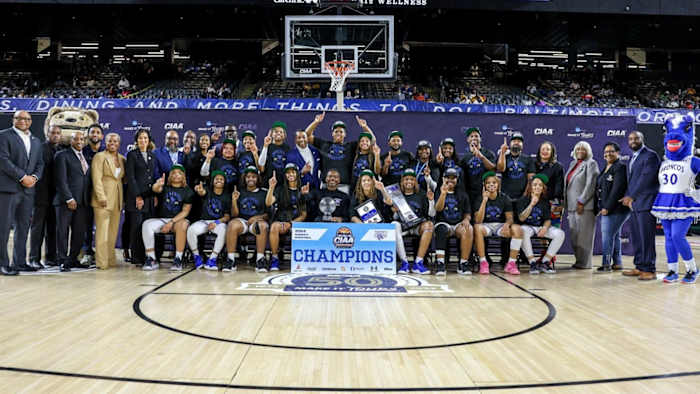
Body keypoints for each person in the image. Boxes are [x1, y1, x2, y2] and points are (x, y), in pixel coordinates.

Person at [650, 115, 700, 283]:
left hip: (684, 202)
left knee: (678, 236)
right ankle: (672, 271)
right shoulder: (663, 162)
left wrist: (697, 192)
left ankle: (692, 269)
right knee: (669, 237)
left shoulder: (693, 161)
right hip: (665, 201)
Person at [0, 111, 44, 276]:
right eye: (19, 118)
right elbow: (3, 160)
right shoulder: (3, 136)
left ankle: (19, 262)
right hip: (8, 189)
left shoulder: (36, 141)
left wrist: (34, 177)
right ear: (14, 119)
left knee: (23, 227)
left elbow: (40, 164)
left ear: (31, 121)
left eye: (26, 119)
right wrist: (22, 177)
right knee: (3, 228)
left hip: (28, 191)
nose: (23, 121)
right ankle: (2, 264)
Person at [621, 131, 660, 281]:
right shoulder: (633, 157)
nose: (633, 141)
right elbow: (633, 181)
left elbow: (646, 178)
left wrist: (632, 196)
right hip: (635, 204)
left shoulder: (650, 155)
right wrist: (628, 196)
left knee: (646, 238)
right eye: (630, 139)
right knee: (637, 237)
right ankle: (639, 266)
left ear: (642, 139)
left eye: (636, 138)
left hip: (646, 202)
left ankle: (650, 269)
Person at [142, 164, 193, 271]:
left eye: (179, 173)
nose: (176, 175)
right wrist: (157, 184)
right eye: (174, 173)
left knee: (182, 225)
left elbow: (185, 211)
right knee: (147, 224)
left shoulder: (188, 191)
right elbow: (156, 189)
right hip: (162, 219)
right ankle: (151, 258)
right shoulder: (164, 187)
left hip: (178, 220)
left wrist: (171, 222)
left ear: (183, 176)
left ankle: (178, 258)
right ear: (170, 176)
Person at [54, 130, 92, 272]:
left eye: (82, 139)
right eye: (76, 139)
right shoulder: (62, 155)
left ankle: (73, 259)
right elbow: (60, 180)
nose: (79, 141)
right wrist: (69, 198)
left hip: (82, 202)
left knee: (79, 233)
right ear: (71, 141)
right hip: (66, 201)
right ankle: (63, 260)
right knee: (62, 232)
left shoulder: (86, 157)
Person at [473, 171, 523, 275]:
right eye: (488, 183)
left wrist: (507, 224)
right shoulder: (479, 198)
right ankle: (483, 262)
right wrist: (484, 201)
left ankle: (511, 263)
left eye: (494, 183)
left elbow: (510, 218)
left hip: (500, 226)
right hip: (486, 226)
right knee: (477, 228)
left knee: (517, 229)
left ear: (498, 184)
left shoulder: (504, 198)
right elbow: (478, 220)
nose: (491, 185)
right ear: (485, 185)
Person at [516, 174, 565, 274]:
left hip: (540, 227)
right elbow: (521, 218)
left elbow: (548, 219)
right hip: (527, 226)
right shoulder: (523, 200)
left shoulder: (545, 202)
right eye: (534, 185)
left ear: (543, 188)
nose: (537, 187)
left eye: (540, 185)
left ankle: (545, 262)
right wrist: (531, 204)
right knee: (523, 231)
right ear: (530, 187)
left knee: (560, 234)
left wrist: (545, 228)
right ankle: (532, 262)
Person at [28, 125, 62, 269]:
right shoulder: (39, 148)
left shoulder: (62, 151)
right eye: (52, 133)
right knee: (38, 229)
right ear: (47, 134)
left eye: (58, 133)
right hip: (40, 196)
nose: (55, 135)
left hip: (56, 197)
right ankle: (34, 258)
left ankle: (51, 258)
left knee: (53, 229)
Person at [91, 133, 125, 270]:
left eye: (116, 141)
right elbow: (96, 178)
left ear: (119, 143)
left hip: (117, 199)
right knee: (102, 232)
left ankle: (111, 260)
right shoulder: (99, 157)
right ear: (105, 142)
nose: (113, 143)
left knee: (112, 233)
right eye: (110, 140)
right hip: (103, 200)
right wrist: (101, 197)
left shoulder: (122, 159)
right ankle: (101, 262)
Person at [266, 163, 307, 273]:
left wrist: (291, 223)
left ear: (297, 174)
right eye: (288, 173)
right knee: (274, 226)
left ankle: (302, 261)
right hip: (281, 221)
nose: (291, 175)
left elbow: (303, 215)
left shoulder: (302, 190)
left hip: (297, 223)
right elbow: (268, 202)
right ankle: (274, 258)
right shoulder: (280, 189)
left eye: (293, 172)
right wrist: (271, 187)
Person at [595, 142, 629, 273]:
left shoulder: (620, 167)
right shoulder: (606, 168)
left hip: (617, 209)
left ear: (618, 153)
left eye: (611, 151)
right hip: (606, 208)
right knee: (614, 236)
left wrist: (607, 207)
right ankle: (617, 263)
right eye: (606, 151)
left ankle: (606, 264)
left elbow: (617, 190)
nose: (608, 153)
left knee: (607, 236)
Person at [564, 141, 599, 270]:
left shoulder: (591, 164)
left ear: (588, 151)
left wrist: (581, 201)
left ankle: (585, 263)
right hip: (572, 206)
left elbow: (591, 185)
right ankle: (579, 261)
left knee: (584, 237)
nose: (580, 151)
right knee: (575, 237)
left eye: (583, 149)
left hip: (584, 206)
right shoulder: (573, 164)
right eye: (578, 148)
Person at [226, 166, 269, 272]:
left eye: (253, 177)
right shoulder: (240, 192)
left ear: (257, 178)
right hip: (243, 221)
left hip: (257, 221)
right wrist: (234, 201)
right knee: (232, 224)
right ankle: (230, 259)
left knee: (261, 226)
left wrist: (257, 218)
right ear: (244, 178)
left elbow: (268, 214)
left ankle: (260, 259)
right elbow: (234, 214)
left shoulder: (264, 193)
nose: (250, 179)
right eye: (248, 176)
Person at [392, 169, 433, 275]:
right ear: (402, 181)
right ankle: (404, 262)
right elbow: (394, 217)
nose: (409, 181)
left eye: (411, 179)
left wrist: (431, 201)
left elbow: (431, 214)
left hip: (416, 226)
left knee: (429, 225)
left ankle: (418, 263)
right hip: (402, 226)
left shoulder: (422, 194)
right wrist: (395, 211)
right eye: (406, 179)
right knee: (394, 225)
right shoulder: (396, 195)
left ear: (415, 181)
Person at [187, 171, 230, 271]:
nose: (219, 180)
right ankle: (197, 256)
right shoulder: (208, 190)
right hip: (204, 221)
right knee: (191, 230)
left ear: (224, 182)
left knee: (224, 230)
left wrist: (216, 222)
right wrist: (200, 190)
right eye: (216, 179)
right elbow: (202, 192)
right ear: (213, 181)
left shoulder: (227, 196)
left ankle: (213, 258)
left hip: (218, 223)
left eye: (221, 179)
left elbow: (227, 217)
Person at [125, 129, 156, 266]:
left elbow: (152, 178)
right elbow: (131, 178)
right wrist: (138, 196)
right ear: (136, 141)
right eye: (140, 138)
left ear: (149, 140)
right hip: (136, 199)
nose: (143, 141)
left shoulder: (152, 156)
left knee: (147, 228)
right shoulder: (132, 155)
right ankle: (137, 258)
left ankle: (147, 256)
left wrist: (153, 195)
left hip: (148, 198)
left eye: (145, 138)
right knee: (136, 229)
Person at [434, 168, 473, 276]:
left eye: (453, 178)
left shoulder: (463, 194)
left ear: (457, 179)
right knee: (441, 229)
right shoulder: (438, 191)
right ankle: (440, 263)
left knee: (468, 229)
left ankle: (463, 263)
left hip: (457, 224)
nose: (450, 180)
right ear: (443, 178)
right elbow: (438, 209)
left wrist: (466, 220)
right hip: (443, 222)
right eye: (448, 177)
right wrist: (443, 193)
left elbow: (467, 213)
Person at [80, 123, 105, 267]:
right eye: (92, 132)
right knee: (86, 226)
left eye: (97, 132)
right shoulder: (81, 152)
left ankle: (102, 253)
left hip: (103, 196)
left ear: (102, 136)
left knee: (102, 226)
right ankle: (87, 253)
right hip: (86, 194)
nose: (95, 135)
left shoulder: (106, 152)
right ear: (88, 135)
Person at [459, 127, 496, 204]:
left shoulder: (488, 153)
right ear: (468, 140)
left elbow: (493, 168)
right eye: (471, 136)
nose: (474, 138)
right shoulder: (465, 157)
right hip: (470, 193)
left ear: (480, 139)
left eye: (476, 136)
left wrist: (481, 157)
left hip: (485, 191)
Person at [496, 132, 536, 201]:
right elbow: (500, 169)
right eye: (514, 141)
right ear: (510, 144)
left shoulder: (528, 159)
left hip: (522, 197)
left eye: (519, 141)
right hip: (505, 197)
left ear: (522, 145)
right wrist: (502, 152)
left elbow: (531, 179)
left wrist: (525, 195)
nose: (516, 143)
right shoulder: (503, 157)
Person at [535, 141, 565, 227]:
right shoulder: (533, 165)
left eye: (548, 149)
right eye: (543, 149)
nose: (545, 151)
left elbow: (559, 186)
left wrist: (555, 203)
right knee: (538, 231)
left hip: (552, 203)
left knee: (553, 230)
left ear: (552, 152)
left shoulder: (558, 167)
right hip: (536, 202)